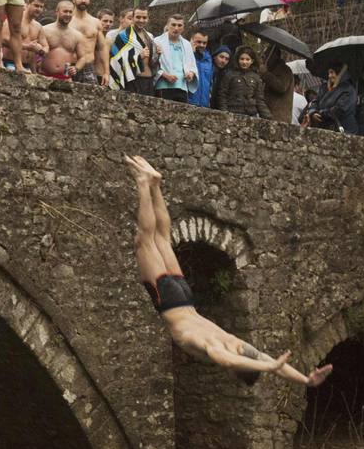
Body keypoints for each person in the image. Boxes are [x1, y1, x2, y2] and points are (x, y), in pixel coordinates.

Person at [125, 155, 331, 389]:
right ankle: (144, 183)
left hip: (185, 297)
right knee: (145, 241)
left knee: (162, 237)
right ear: (236, 369)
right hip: (170, 301)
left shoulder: (239, 346)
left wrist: (304, 380)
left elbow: (267, 359)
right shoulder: (221, 349)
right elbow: (237, 360)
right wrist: (271, 369)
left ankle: (156, 185)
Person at [38, 0, 93, 81]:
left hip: (66, 78)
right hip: (44, 76)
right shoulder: (44, 30)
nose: (68, 14)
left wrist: (76, 68)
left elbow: (82, 58)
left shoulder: (77, 35)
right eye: (65, 11)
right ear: (57, 12)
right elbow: (35, 51)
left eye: (70, 12)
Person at [216, 46, 271, 118]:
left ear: (252, 61)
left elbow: (259, 99)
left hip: (250, 115)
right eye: (242, 59)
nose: (244, 62)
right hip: (232, 113)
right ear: (238, 60)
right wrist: (224, 113)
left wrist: (267, 116)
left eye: (247, 59)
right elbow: (222, 95)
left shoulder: (256, 77)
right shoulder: (229, 75)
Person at [152, 14, 197, 102]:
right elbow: (152, 64)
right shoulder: (157, 41)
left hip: (182, 87)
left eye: (179, 25)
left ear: (183, 27)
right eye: (173, 25)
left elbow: (193, 66)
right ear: (168, 25)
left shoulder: (187, 44)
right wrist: (165, 75)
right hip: (163, 86)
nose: (176, 28)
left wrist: (191, 74)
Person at [68, 0, 107, 84]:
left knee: (92, 98)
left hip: (88, 67)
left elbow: (102, 48)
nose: (83, 0)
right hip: (69, 65)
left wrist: (106, 72)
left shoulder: (96, 22)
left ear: (89, 0)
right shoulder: (66, 20)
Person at [303, 66, 357, 132]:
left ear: (340, 73)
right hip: (325, 128)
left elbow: (339, 109)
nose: (329, 76)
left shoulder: (348, 90)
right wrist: (313, 112)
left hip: (343, 129)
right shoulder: (324, 87)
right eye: (328, 73)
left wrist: (320, 113)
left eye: (332, 72)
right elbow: (315, 101)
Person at [258, 45, 297, 125]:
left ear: (274, 56)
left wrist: (266, 74)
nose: (264, 58)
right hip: (268, 115)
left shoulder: (284, 70)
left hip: (278, 118)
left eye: (266, 55)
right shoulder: (272, 70)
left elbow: (281, 87)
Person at [187, 30, 214, 108]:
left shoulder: (208, 59)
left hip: (204, 103)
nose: (202, 45)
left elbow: (210, 81)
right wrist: (191, 53)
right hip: (189, 101)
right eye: (198, 42)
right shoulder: (185, 54)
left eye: (204, 43)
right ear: (191, 40)